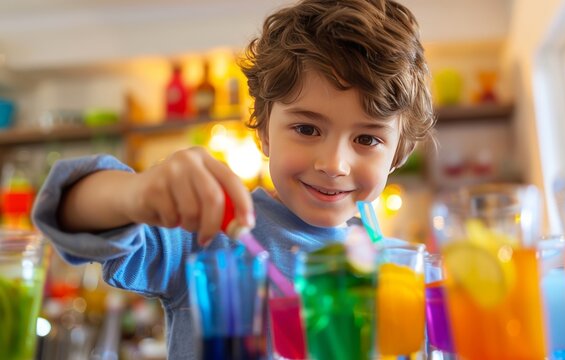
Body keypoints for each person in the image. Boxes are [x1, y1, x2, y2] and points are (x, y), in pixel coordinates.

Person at [32, 0, 434, 358]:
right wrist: (136, 194)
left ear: (398, 152)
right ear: (263, 130)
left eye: (367, 138)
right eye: (307, 129)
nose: (334, 164)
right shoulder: (210, 235)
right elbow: (68, 211)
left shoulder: (414, 275)